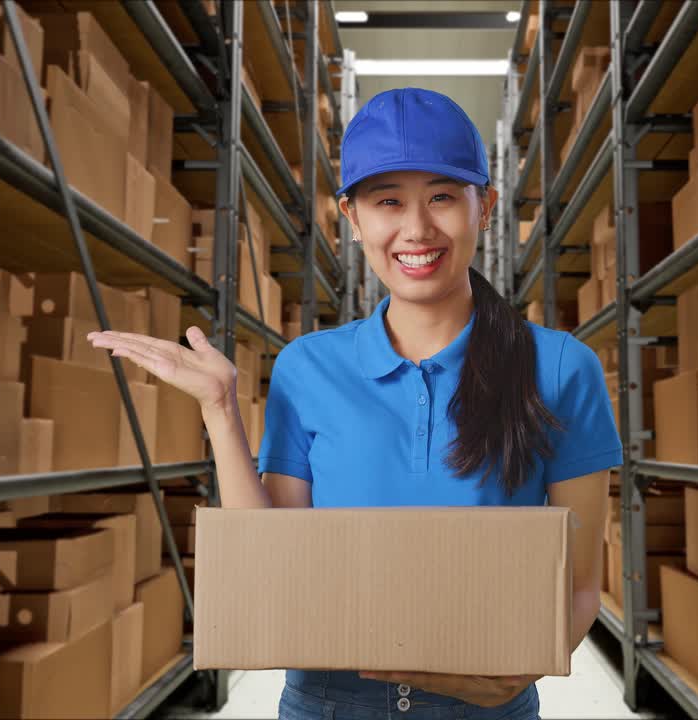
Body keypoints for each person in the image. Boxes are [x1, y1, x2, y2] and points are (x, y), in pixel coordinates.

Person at [89, 87, 621, 720]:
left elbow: (581, 585)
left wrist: (515, 677)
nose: (416, 228)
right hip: (327, 703)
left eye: (443, 196)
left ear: (486, 208)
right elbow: (276, 564)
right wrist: (221, 408)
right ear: (351, 216)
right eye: (387, 201)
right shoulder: (308, 368)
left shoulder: (560, 367)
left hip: (487, 708)